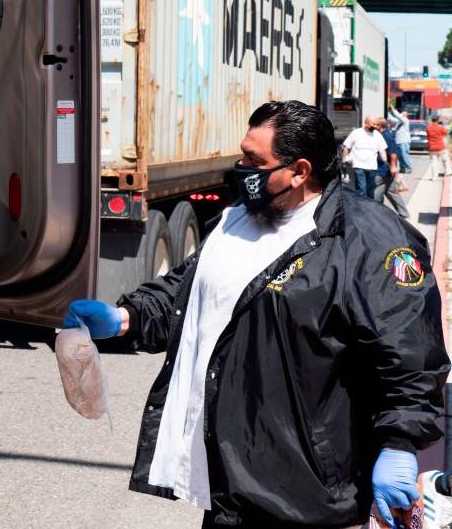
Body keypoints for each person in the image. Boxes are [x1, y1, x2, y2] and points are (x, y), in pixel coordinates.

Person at [64, 101, 449, 528]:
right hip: (229, 483)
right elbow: (188, 291)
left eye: (254, 160)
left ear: (300, 171)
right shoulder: (236, 221)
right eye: (242, 154)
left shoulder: (371, 242)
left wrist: (400, 443)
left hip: (307, 493)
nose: (240, 167)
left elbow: (411, 355)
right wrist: (125, 318)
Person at [371, 116, 410, 218]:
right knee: (391, 191)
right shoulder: (383, 134)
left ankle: (376, 214)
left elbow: (393, 154)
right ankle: (403, 213)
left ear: (379, 126)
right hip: (386, 170)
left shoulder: (385, 136)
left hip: (383, 170)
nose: (372, 126)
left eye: (374, 124)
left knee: (373, 190)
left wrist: (393, 167)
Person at [342, 116, 387, 197]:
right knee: (362, 189)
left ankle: (368, 207)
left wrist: (386, 162)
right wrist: (345, 159)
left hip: (372, 166)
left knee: (370, 190)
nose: (376, 126)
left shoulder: (378, 135)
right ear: (366, 124)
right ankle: (362, 207)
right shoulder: (356, 133)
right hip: (358, 165)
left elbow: (382, 150)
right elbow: (346, 147)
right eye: (373, 124)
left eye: (377, 125)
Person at [424, 115, 451, 181]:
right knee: (446, 159)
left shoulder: (428, 128)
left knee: (434, 162)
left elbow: (427, 136)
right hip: (440, 147)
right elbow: (445, 133)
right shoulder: (440, 127)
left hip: (432, 147)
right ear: (438, 120)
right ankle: (448, 171)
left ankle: (434, 177)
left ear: (432, 120)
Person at [388, 106, 414, 174]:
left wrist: (393, 109)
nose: (402, 114)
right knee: (400, 156)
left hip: (404, 141)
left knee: (404, 155)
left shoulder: (405, 120)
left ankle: (408, 167)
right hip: (399, 141)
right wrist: (388, 112)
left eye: (404, 113)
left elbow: (398, 116)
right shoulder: (399, 122)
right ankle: (403, 168)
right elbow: (392, 119)